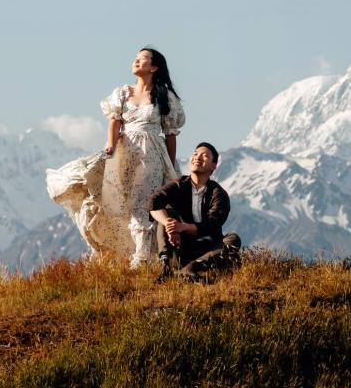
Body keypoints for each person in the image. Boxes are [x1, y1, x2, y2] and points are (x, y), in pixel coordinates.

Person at [45, 47, 184, 266]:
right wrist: (110, 146)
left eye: (143, 59)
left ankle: (142, 256)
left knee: (142, 201)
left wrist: (171, 167)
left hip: (151, 153)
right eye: (136, 58)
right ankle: (134, 253)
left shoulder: (164, 97)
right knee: (122, 202)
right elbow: (114, 122)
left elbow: (170, 134)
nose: (136, 61)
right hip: (125, 151)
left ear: (154, 67)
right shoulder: (122, 93)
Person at [150, 142, 241, 281]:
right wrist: (171, 227)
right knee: (167, 217)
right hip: (179, 246)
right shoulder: (179, 184)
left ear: (213, 166)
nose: (198, 157)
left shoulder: (218, 193)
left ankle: (191, 268)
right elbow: (153, 203)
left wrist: (184, 227)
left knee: (233, 239)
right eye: (195, 154)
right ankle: (166, 267)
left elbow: (212, 224)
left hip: (208, 250)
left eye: (205, 156)